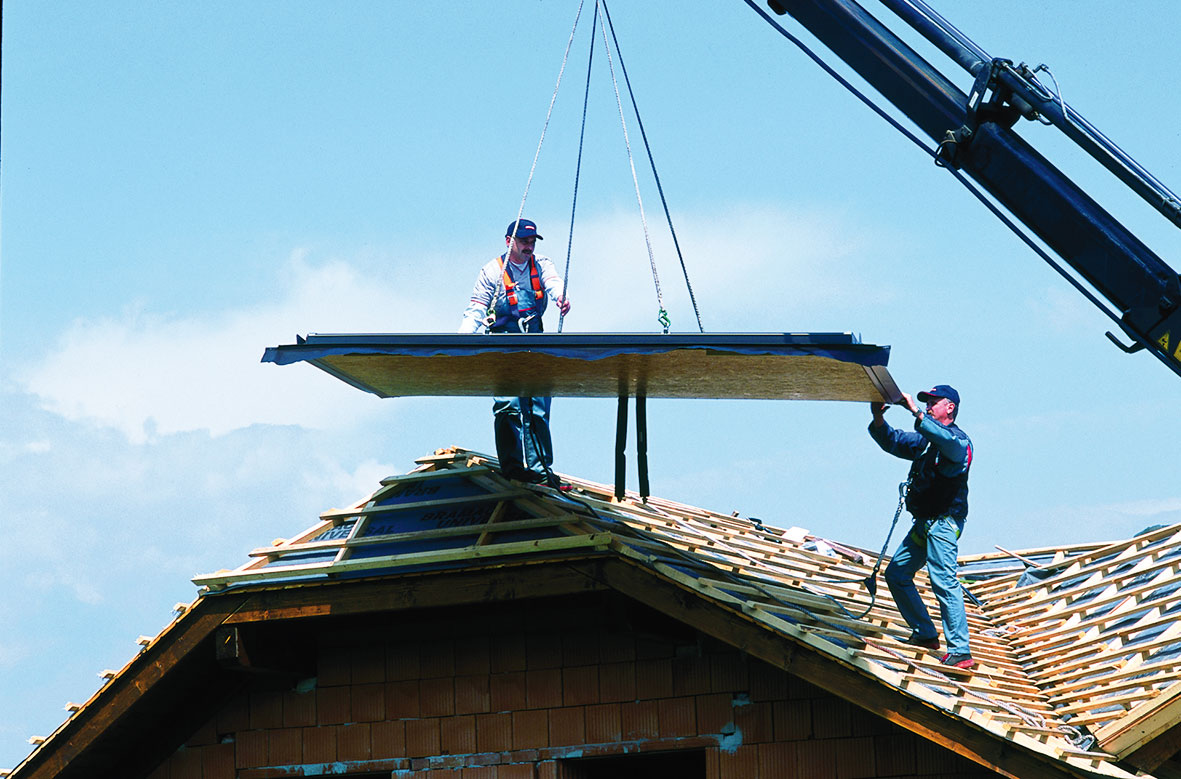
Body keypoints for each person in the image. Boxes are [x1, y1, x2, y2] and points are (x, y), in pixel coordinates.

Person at [869, 384, 975, 670]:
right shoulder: (926, 441)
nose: (928, 406)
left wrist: (915, 412)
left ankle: (961, 651)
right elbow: (894, 441)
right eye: (925, 403)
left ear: (949, 407)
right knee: (897, 573)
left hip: (943, 524)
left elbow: (944, 440)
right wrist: (879, 419)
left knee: (943, 580)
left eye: (933, 402)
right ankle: (926, 634)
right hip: (925, 524)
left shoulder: (958, 442)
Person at [459, 219, 571, 485]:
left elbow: (553, 281)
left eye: (532, 241)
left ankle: (542, 471)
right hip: (504, 343)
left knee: (538, 406)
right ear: (509, 241)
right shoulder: (491, 272)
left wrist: (560, 296)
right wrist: (461, 341)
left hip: (535, 341)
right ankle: (513, 469)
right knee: (508, 405)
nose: (529, 246)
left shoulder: (541, 264)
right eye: (524, 241)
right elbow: (476, 309)